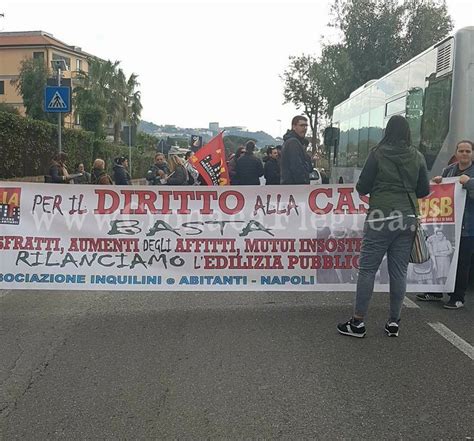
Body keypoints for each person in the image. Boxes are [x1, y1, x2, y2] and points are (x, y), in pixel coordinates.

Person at [337, 115, 430, 338]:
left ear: (387, 130)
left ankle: (358, 323)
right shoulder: (417, 155)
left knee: (368, 270)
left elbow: (363, 186)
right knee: (399, 272)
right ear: (407, 132)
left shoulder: (377, 153)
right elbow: (423, 190)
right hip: (407, 217)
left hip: (380, 216)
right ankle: (394, 322)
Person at [416, 140, 474, 308]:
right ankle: (435, 291)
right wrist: (438, 182)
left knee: (462, 263)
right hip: (449, 225)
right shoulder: (449, 171)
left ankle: (458, 297)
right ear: (456, 153)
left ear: (472, 154)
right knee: (443, 260)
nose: (464, 154)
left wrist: (469, 182)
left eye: (467, 151)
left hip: (468, 227)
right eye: (461, 151)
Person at [280, 116, 313, 184]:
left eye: (306, 126)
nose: (305, 128)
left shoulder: (292, 142)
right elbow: (297, 168)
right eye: (301, 125)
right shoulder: (293, 143)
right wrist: (303, 183)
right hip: (295, 188)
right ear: (294, 127)